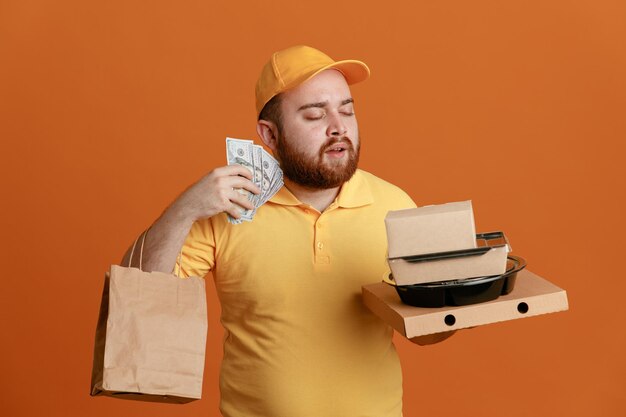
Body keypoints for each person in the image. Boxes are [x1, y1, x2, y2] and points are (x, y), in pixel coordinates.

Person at [122, 45, 454, 417]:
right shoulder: (228, 208)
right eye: (314, 115)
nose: (338, 126)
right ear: (270, 135)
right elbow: (142, 297)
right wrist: (186, 209)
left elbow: (429, 333)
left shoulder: (395, 206)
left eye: (347, 109)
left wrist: (461, 295)